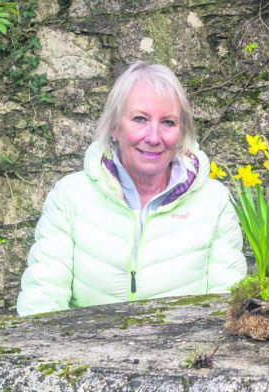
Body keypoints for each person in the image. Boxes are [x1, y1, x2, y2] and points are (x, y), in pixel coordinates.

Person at [17, 62, 247, 316]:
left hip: (185, 353)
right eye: (140, 119)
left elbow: (226, 306)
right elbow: (41, 300)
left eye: (168, 122)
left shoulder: (213, 201)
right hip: (87, 351)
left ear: (181, 132)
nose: (153, 137)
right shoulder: (70, 197)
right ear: (115, 127)